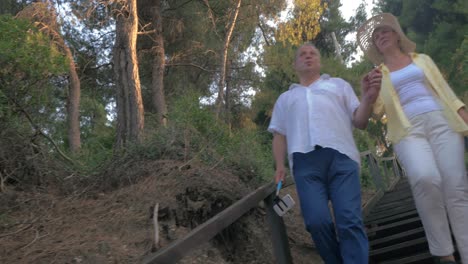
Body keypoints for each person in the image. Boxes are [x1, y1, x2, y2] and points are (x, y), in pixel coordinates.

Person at [357, 13, 468, 264]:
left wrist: (464, 116)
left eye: (384, 31)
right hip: (408, 131)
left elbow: (447, 94)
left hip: (442, 121)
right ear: (375, 46)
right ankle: (444, 253)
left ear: (397, 35)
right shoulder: (377, 74)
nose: (380, 36)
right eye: (375, 36)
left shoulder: (423, 60)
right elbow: (374, 113)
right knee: (424, 178)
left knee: (456, 184)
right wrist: (369, 93)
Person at [268, 43, 382, 264]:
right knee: (316, 222)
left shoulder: (338, 86)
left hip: (342, 157)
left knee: (349, 220)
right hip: (304, 163)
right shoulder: (286, 98)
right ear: (295, 64)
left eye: (313, 53)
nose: (308, 56)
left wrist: (368, 97)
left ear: (320, 61)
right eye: (303, 54)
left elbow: (360, 121)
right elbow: (279, 134)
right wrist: (279, 166)